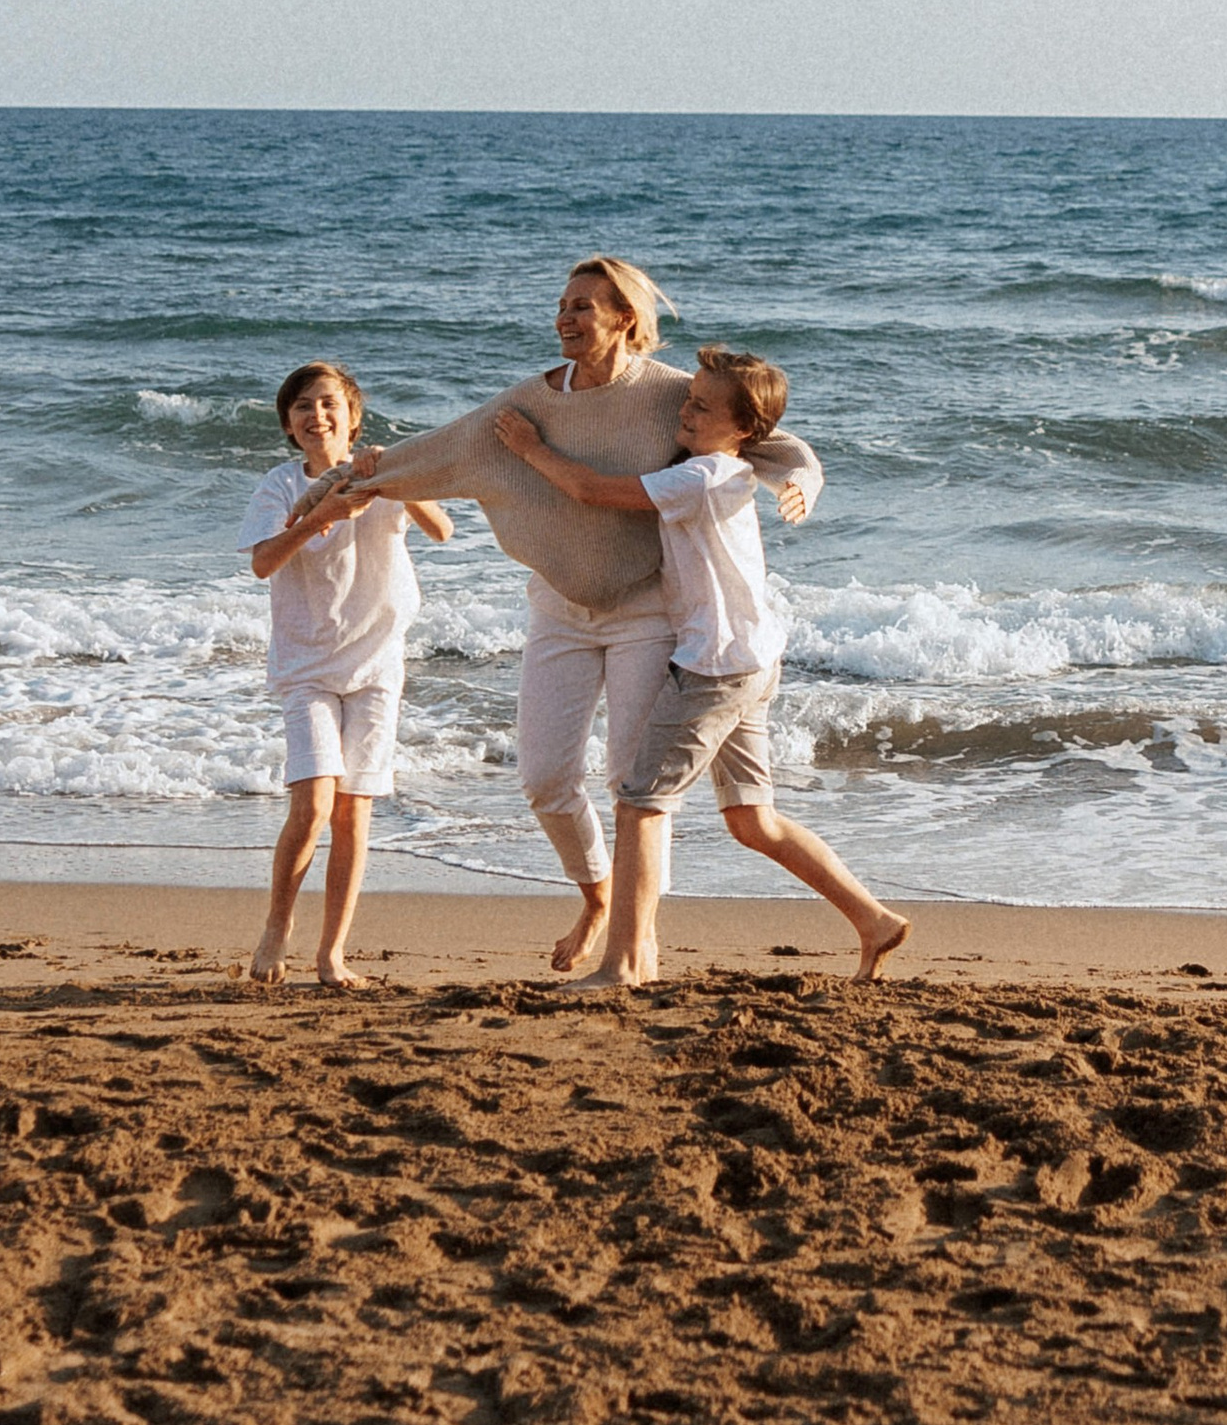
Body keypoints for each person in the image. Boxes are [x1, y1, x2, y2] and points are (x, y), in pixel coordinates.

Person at [288, 258, 823, 974]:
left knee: (633, 781)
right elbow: (438, 451)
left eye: (585, 307)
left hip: (648, 609)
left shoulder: (671, 397)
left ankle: (638, 946)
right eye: (563, 305)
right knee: (544, 776)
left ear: (625, 318)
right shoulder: (525, 406)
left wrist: (800, 480)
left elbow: (765, 438)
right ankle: (597, 894)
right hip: (560, 610)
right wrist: (340, 479)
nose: (566, 318)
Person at [495, 344, 909, 991]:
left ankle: (625, 963)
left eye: (701, 407)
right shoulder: (727, 463)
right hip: (754, 659)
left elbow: (592, 489)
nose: (683, 413)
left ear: (743, 428)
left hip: (713, 668)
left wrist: (528, 448)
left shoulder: (704, 477)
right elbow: (784, 450)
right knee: (752, 820)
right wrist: (802, 477)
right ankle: (874, 919)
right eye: (686, 399)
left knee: (639, 800)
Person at [241, 361, 452, 988]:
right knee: (312, 804)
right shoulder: (280, 487)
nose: (318, 416)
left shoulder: (385, 474)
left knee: (354, 813)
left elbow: (442, 530)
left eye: (330, 404)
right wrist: (319, 514)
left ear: (353, 417)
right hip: (306, 664)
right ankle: (277, 928)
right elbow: (261, 564)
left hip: (376, 662)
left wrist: (396, 479)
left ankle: (332, 954)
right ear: (288, 423)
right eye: (303, 406)